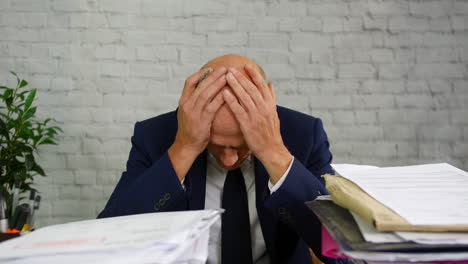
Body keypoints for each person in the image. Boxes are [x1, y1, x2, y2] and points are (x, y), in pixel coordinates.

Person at [98, 54, 334, 264]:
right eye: (216, 146)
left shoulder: (304, 135)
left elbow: (342, 252)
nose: (230, 160)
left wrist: (273, 151)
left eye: (243, 146)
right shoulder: (155, 136)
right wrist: (185, 147)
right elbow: (108, 240)